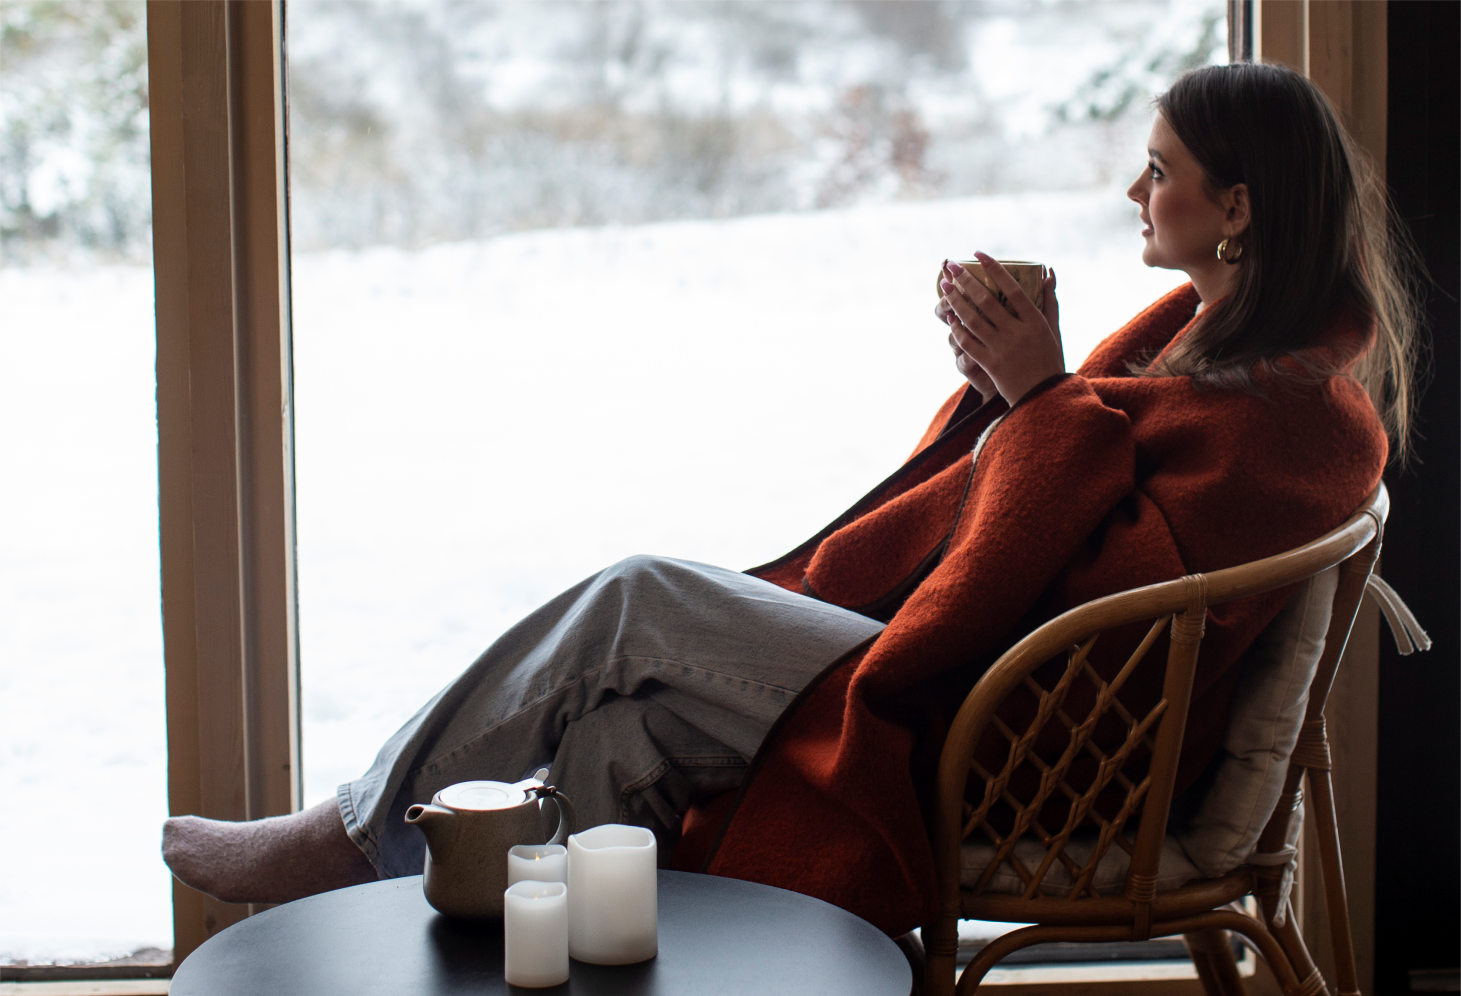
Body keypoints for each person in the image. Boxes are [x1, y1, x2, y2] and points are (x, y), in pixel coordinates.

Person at [162, 62, 1418, 937]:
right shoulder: (1208, 348)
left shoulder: (1295, 425)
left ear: (1237, 207)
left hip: (1012, 732)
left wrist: (1041, 396)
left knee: (636, 599)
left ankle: (350, 840)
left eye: (1159, 171)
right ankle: (515, 947)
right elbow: (1036, 503)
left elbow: (1076, 603)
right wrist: (1005, 393)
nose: (1136, 196)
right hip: (979, 672)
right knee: (618, 741)